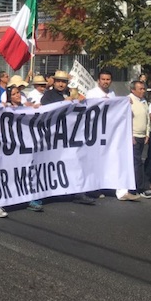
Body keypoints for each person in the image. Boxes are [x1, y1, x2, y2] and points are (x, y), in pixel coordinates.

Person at [41, 70, 97, 205]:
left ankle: (78, 192)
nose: (61, 84)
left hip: (70, 135)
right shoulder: (48, 95)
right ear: (54, 82)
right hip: (54, 136)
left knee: (75, 162)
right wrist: (64, 102)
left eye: (64, 82)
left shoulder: (71, 93)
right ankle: (50, 192)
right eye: (59, 81)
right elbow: (47, 110)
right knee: (54, 164)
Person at [128, 81, 151, 199]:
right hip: (132, 136)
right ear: (133, 90)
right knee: (137, 162)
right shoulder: (128, 100)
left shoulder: (143, 101)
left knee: (137, 161)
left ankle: (135, 185)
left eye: (144, 89)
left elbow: (147, 118)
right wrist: (130, 136)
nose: (143, 91)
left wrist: (147, 133)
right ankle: (141, 187)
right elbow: (126, 119)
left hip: (142, 136)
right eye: (140, 89)